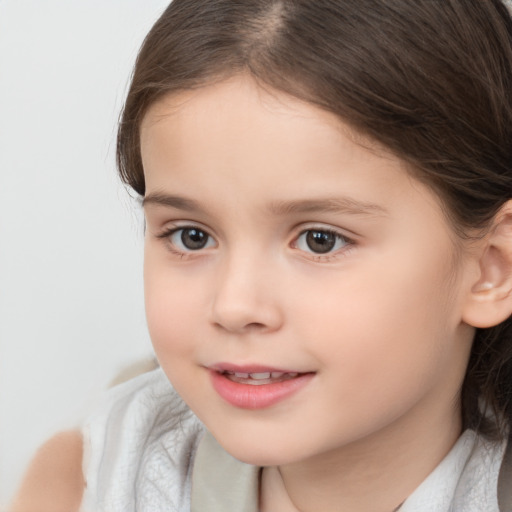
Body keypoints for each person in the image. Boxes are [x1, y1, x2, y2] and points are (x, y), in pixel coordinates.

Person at [14, 1, 512, 511]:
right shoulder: (96, 477)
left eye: (320, 240)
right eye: (191, 236)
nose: (234, 306)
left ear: (492, 268)